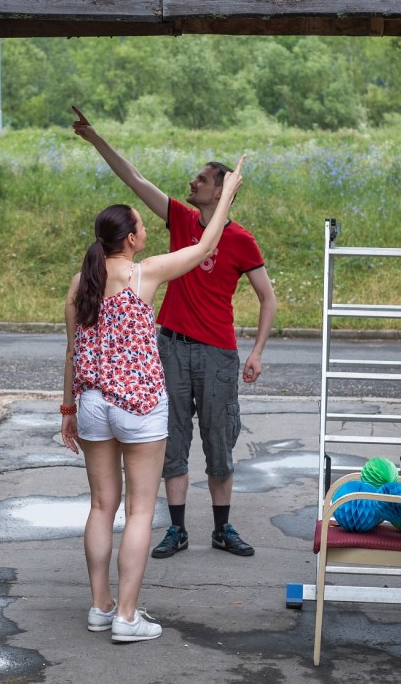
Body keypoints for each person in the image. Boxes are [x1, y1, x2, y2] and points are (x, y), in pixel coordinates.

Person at [71, 106, 277, 561]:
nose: (192, 182)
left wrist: (257, 350)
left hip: (218, 353)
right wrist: (96, 138)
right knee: (173, 443)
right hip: (172, 349)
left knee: (219, 442)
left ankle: (222, 529)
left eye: (202, 179)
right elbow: (135, 179)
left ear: (221, 190)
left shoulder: (241, 240)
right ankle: (177, 529)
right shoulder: (181, 218)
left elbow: (268, 297)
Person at [60, 155, 244, 643]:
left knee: (102, 507)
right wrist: (228, 193)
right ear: (130, 239)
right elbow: (206, 244)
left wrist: (68, 409)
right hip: (138, 405)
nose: (147, 230)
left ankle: (100, 606)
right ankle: (126, 617)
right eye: (142, 226)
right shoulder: (145, 274)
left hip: (92, 403)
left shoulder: (81, 283)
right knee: (140, 511)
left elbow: (72, 350)